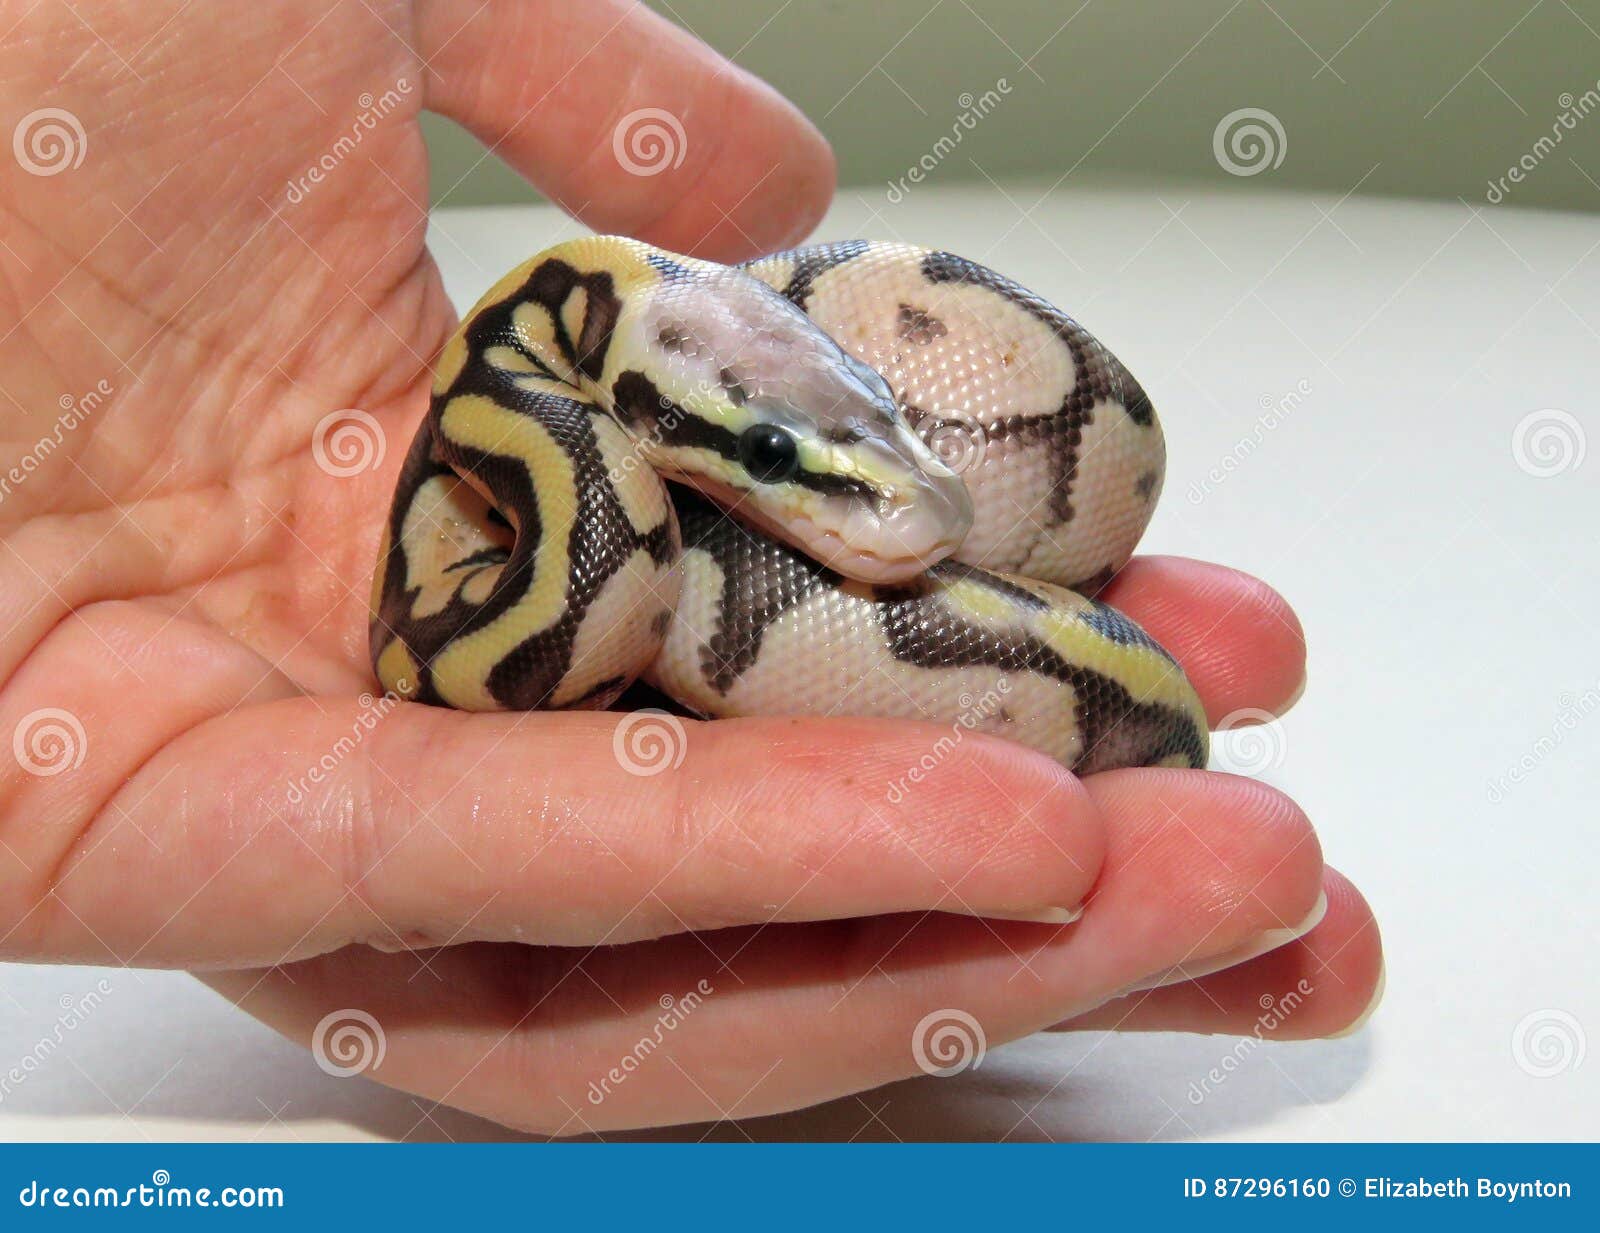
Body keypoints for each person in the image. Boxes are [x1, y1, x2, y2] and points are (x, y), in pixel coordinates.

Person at [0, 0, 1381, 1134]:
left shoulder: (630, 374)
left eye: (876, 432)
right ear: (644, 418)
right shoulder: (584, 450)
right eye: (782, 461)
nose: (907, 512)